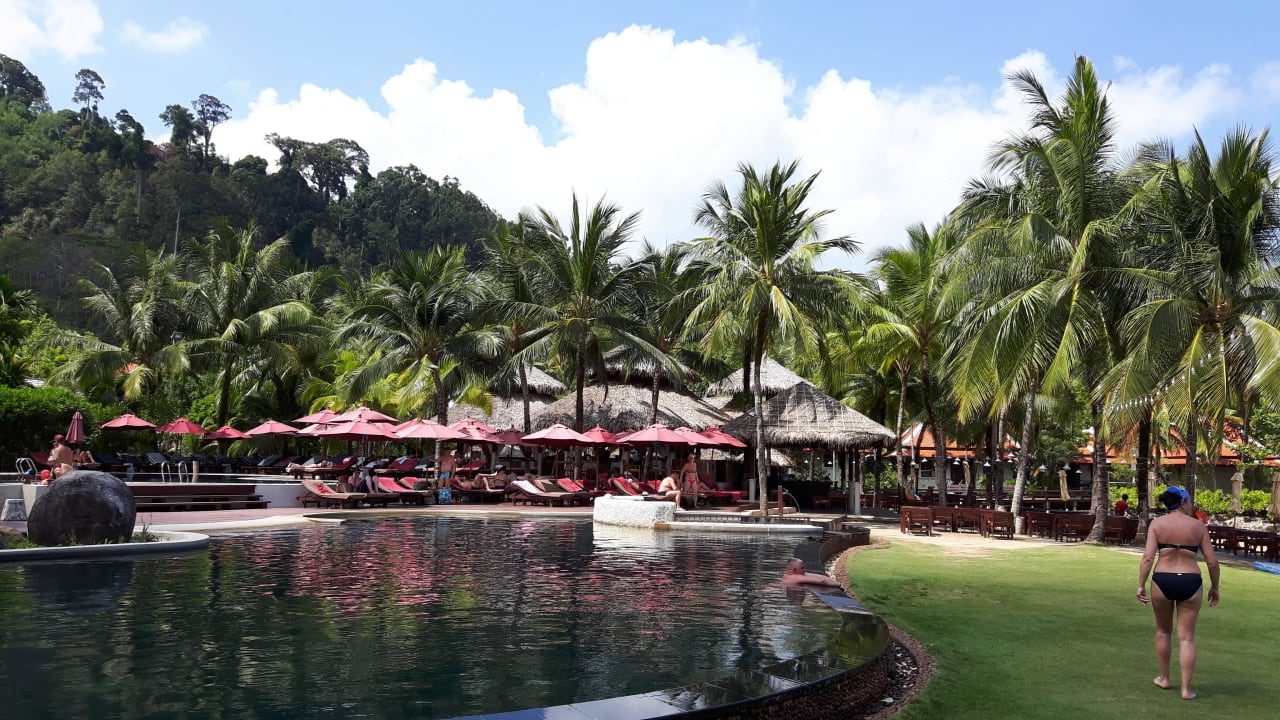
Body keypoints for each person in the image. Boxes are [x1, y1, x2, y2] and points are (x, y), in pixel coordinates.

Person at [1137, 485, 1220, 701]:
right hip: (1190, 580)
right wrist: (1215, 587)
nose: (1191, 504)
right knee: (1187, 638)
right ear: (1182, 502)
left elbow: (1148, 557)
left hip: (1162, 579)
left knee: (1163, 632)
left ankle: (1165, 679)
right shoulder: (1198, 526)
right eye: (1190, 501)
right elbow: (1212, 562)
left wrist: (1141, 584)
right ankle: (1186, 690)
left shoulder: (1157, 524)